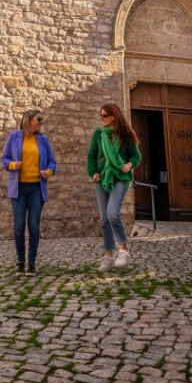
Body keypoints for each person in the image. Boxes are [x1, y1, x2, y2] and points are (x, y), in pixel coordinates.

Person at [87, 103, 141, 271]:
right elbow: (91, 156)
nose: (101, 118)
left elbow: (136, 155)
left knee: (112, 213)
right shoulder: (98, 134)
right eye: (100, 115)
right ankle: (108, 255)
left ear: (114, 116)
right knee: (104, 219)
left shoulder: (126, 134)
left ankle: (123, 250)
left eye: (105, 115)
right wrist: (93, 172)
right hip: (102, 178)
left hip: (120, 177)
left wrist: (130, 164)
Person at [2, 109, 57, 276]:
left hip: (36, 189)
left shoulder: (43, 139)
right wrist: (12, 165)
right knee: (19, 227)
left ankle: (31, 263)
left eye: (41, 120)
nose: (41, 123)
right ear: (28, 121)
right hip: (18, 189)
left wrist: (49, 171)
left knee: (33, 226)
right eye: (38, 119)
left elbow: (52, 162)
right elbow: (4, 159)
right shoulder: (14, 137)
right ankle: (20, 261)